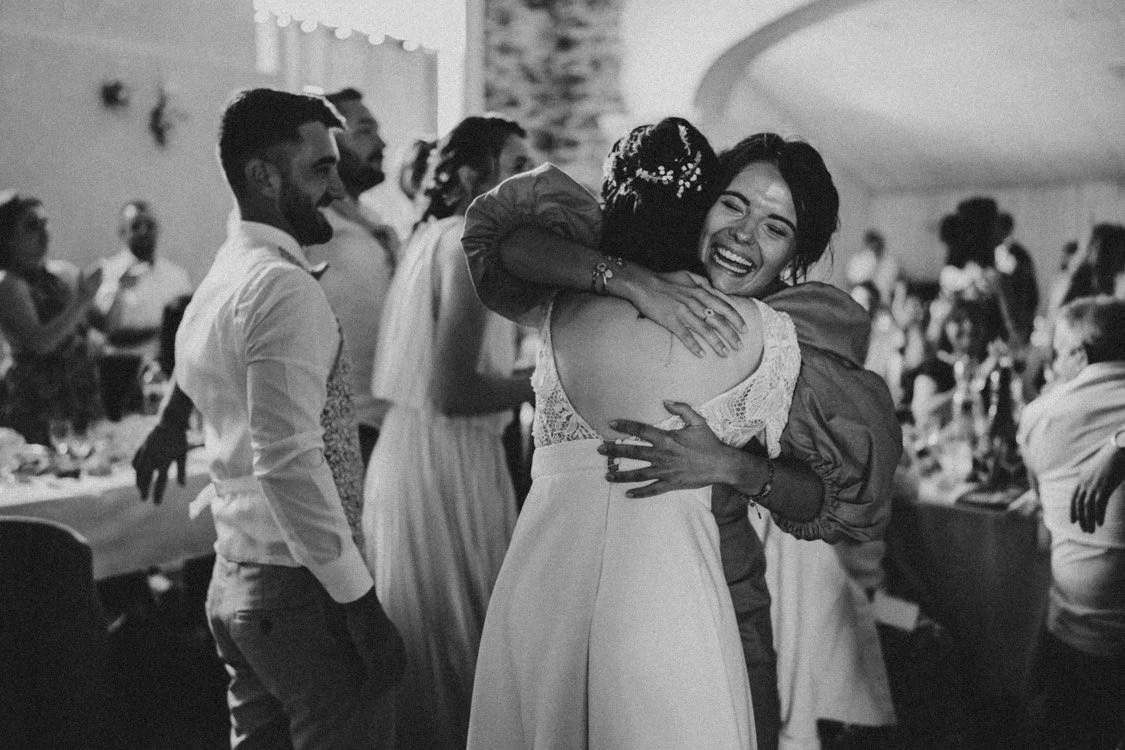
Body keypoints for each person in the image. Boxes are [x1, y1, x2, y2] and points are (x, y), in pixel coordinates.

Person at [465, 124, 899, 749]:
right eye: (732, 205)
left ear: (793, 259)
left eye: (774, 228)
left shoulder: (785, 336)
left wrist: (731, 467)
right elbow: (503, 240)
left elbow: (841, 499)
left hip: (727, 587)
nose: (743, 235)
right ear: (700, 203)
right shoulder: (608, 277)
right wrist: (634, 282)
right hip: (568, 593)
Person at [133, 88, 404, 748]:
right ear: (262, 176)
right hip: (297, 588)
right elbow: (287, 460)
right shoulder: (281, 285)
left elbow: (192, 352)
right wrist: (359, 603)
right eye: (319, 169)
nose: (334, 187)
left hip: (235, 574)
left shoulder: (229, 267)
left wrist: (169, 421)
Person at [360, 114, 534, 749]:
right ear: (468, 175)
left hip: (412, 451)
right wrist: (545, 382)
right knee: (462, 648)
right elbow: (454, 392)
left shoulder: (428, 236)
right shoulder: (465, 244)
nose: (530, 181)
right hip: (447, 459)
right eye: (517, 166)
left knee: (441, 646)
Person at [1015, 296, 1125, 749]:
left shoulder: (1041, 416)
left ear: (1079, 355)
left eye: (1057, 354)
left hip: (1084, 638)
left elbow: (1042, 503)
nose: (1051, 367)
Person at [306, 87, 399, 465]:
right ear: (327, 140)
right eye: (365, 131)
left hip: (389, 422)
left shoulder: (375, 222)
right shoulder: (309, 223)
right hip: (338, 427)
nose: (382, 143)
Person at [0, 191, 103, 445]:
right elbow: (41, 342)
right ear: (7, 236)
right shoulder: (8, 284)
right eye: (31, 226)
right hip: (38, 397)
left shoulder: (61, 273)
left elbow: (100, 325)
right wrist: (81, 300)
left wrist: (118, 292)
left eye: (44, 223)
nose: (44, 233)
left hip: (77, 390)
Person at [91, 200, 193, 360]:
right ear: (122, 232)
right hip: (121, 366)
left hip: (166, 364)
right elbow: (106, 333)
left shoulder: (177, 276)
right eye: (136, 226)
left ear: (158, 229)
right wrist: (118, 290)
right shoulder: (107, 273)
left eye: (149, 225)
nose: (143, 231)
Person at [1062, 222, 1125, 305]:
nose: (1088, 251)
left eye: (1094, 246)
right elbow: (1066, 307)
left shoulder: (1120, 282)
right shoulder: (1083, 275)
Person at [846, 228, 898, 303]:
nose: (874, 246)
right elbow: (852, 281)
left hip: (882, 301)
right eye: (871, 244)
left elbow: (891, 287)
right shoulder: (858, 260)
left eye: (877, 244)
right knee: (860, 293)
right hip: (862, 297)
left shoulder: (890, 263)